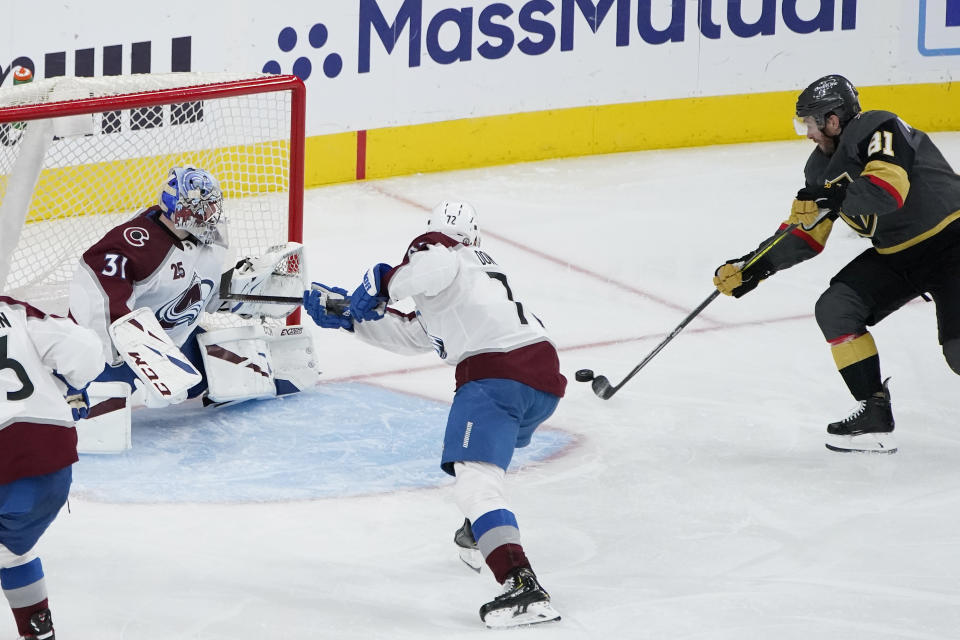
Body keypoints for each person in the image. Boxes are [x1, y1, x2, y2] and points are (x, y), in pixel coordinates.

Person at [303, 201, 566, 628]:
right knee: (485, 472)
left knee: (477, 480)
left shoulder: (439, 250)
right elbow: (416, 332)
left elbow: (428, 265)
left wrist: (385, 281)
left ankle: (521, 584)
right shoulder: (474, 279)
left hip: (494, 375)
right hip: (541, 379)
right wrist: (349, 316)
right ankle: (477, 532)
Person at [713, 74, 960, 454]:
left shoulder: (879, 126)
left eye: (810, 124)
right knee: (837, 308)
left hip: (951, 241)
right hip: (898, 255)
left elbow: (886, 192)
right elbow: (805, 235)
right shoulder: (818, 170)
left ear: (832, 119)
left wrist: (833, 196)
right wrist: (754, 266)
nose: (808, 134)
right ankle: (873, 413)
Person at [67, 166, 307, 434]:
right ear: (179, 210)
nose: (209, 216)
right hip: (114, 356)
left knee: (244, 377)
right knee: (86, 420)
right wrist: (151, 361)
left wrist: (243, 293)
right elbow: (99, 303)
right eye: (201, 209)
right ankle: (73, 390)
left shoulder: (210, 241)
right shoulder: (132, 246)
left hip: (174, 340)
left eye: (211, 207)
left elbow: (202, 290)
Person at [0, 295, 103, 639]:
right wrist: (70, 386)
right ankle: (39, 632)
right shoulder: (11, 310)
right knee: (13, 553)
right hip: (47, 465)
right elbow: (85, 348)